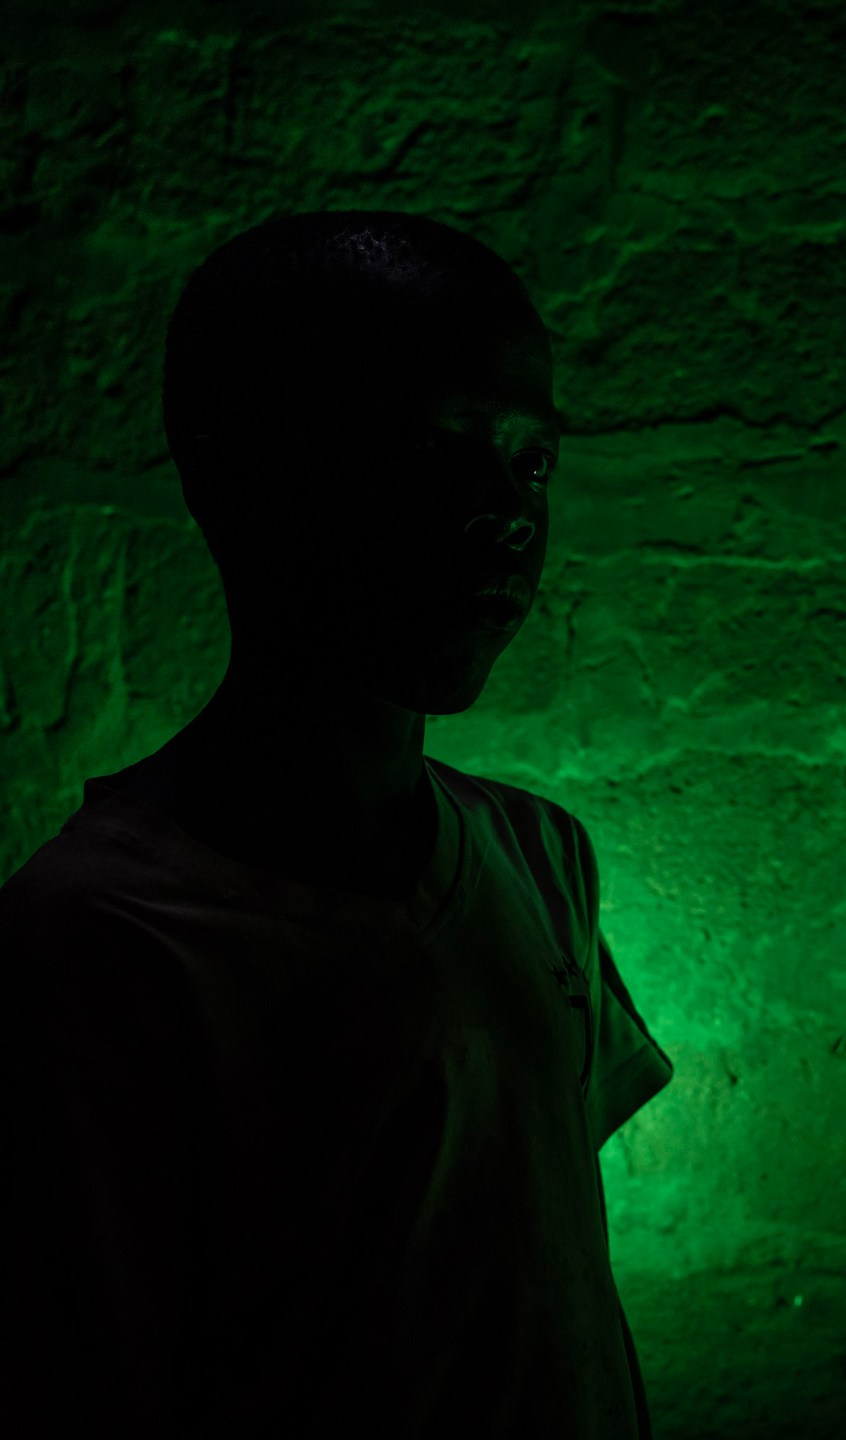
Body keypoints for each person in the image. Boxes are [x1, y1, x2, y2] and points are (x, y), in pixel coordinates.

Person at [1, 212, 672, 1437]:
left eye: (532, 463)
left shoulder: (539, 860)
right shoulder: (98, 942)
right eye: (434, 452)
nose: (507, 512)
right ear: (245, 476)